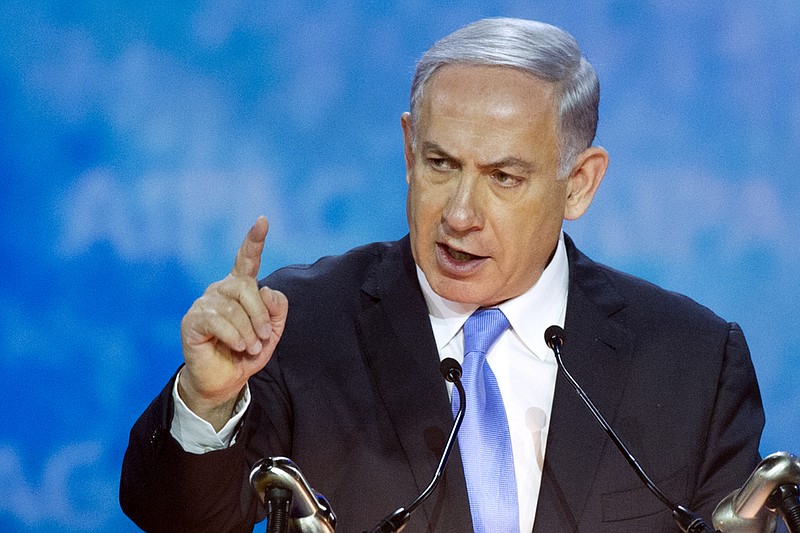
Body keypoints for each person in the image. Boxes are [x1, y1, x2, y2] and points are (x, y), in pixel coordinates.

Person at [120, 17, 765, 532]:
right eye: (440, 164)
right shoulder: (300, 327)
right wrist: (208, 401)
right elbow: (178, 520)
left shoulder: (694, 363)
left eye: (503, 178)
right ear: (408, 150)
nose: (460, 214)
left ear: (579, 184)